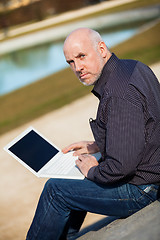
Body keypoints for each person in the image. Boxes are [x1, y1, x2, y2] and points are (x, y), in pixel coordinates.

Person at [26, 28, 160, 240]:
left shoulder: (117, 93)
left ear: (101, 48)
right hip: (151, 173)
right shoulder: (132, 66)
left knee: (55, 190)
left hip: (142, 189)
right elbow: (146, 121)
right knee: (72, 177)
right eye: (70, 62)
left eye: (81, 56)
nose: (77, 67)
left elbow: (120, 168)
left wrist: (91, 171)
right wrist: (99, 144)